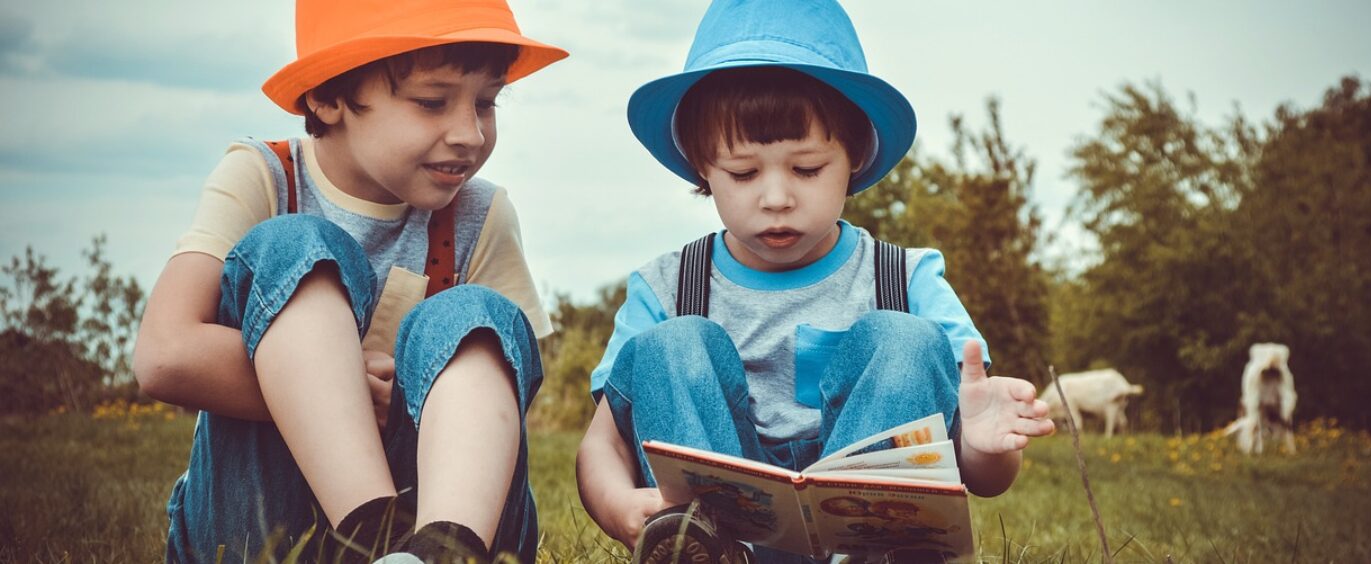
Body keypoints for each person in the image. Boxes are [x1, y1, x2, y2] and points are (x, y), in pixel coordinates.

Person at [574, 1, 1055, 562]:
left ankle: (873, 551)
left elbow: (986, 478)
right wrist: (618, 505)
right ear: (703, 166)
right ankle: (703, 545)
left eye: (806, 169)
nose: (776, 198)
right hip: (724, 527)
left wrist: (978, 443)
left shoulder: (907, 278)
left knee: (905, 339)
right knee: (671, 345)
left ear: (854, 158)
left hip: (868, 529)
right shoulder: (664, 288)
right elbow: (601, 442)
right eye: (744, 172)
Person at [131, 1, 566, 562]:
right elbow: (165, 354)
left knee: (475, 317)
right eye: (432, 102)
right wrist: (339, 387)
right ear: (328, 95)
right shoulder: (263, 178)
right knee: (296, 248)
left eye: (486, 102)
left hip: (438, 513)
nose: (469, 133)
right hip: (257, 526)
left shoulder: (481, 215)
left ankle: (443, 551)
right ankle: (371, 532)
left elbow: (501, 392)